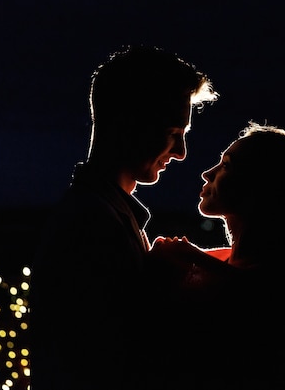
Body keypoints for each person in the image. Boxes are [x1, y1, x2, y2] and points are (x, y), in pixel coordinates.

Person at [29, 44, 218, 389]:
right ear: (129, 122)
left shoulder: (101, 214)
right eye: (174, 134)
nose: (181, 153)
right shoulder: (92, 226)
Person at [144, 122, 285, 390]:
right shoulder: (231, 266)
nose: (207, 173)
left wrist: (180, 257)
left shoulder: (275, 288)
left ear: (261, 186)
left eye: (226, 165)